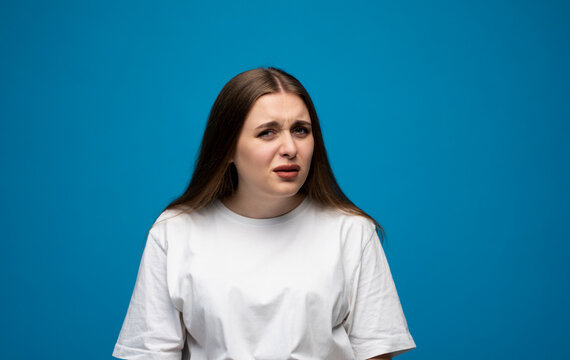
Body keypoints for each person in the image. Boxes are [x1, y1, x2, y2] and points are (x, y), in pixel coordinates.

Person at [112, 67, 415, 360]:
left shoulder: (351, 231)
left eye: (301, 130)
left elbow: (375, 352)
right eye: (267, 132)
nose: (290, 148)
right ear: (227, 148)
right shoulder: (174, 232)